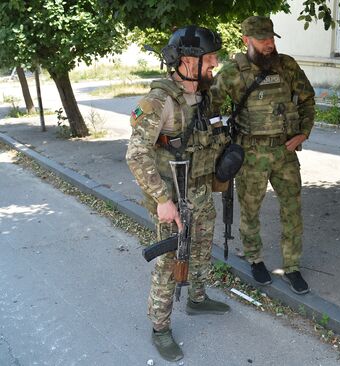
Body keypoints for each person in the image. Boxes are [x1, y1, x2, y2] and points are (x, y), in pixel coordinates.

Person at [126, 26, 231, 361]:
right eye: (209, 57)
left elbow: (213, 134)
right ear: (187, 60)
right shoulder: (158, 102)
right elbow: (136, 154)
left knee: (201, 249)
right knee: (170, 262)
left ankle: (198, 298)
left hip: (200, 190)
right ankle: (160, 327)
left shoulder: (205, 93)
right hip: (172, 196)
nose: (215, 62)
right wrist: (162, 200)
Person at [211, 16, 315, 295]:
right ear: (246, 40)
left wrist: (304, 132)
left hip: (285, 151)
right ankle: (254, 258)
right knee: (250, 209)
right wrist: (224, 146)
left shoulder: (287, 65)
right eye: (262, 40)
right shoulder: (233, 72)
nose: (269, 44)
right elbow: (211, 110)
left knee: (292, 209)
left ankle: (292, 266)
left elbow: (307, 99)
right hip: (251, 154)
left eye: (271, 38)